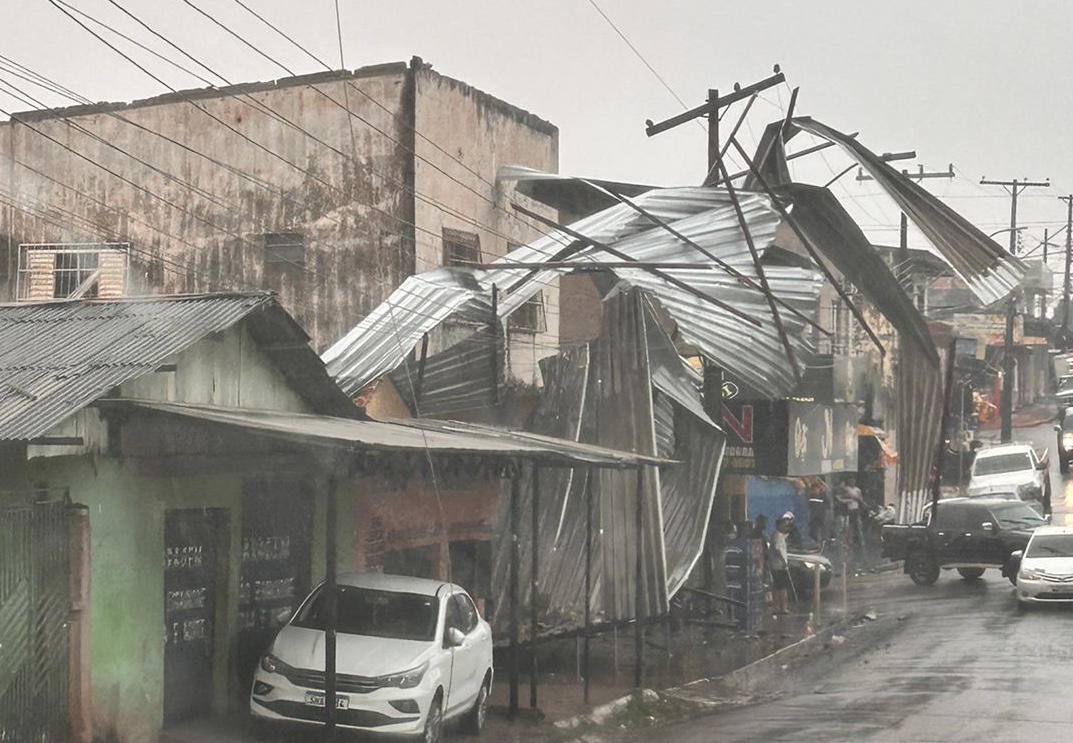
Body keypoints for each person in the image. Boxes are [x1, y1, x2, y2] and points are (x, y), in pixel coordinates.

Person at [769, 517, 792, 615]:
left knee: (781, 586)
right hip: (778, 565)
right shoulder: (776, 535)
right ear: (778, 525)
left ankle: (780, 607)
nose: (785, 527)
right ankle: (780, 607)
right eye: (783, 525)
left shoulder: (781, 535)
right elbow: (777, 549)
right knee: (780, 587)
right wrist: (783, 561)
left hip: (780, 565)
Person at [836, 476, 866, 548]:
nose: (852, 482)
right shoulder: (847, 489)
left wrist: (862, 502)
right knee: (847, 526)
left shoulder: (858, 489)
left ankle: (850, 540)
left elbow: (860, 498)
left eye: (853, 480)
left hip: (856, 508)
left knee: (853, 526)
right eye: (850, 480)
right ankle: (843, 541)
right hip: (849, 509)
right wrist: (852, 498)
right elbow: (846, 497)